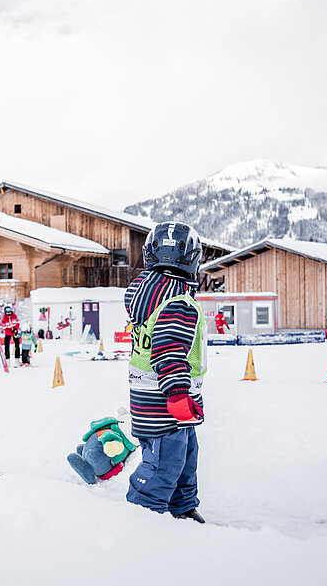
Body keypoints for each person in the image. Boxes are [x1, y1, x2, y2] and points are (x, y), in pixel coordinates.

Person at [124, 221, 207, 523]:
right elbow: (168, 350)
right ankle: (140, 515)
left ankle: (181, 507)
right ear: (193, 258)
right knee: (163, 463)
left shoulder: (149, 294)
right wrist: (177, 394)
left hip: (149, 395)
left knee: (184, 457)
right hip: (168, 399)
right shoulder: (178, 302)